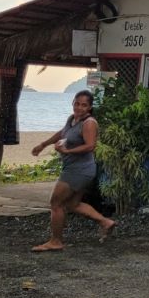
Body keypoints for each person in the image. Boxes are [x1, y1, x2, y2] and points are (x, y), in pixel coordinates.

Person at [30, 90, 115, 252]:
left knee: (56, 203)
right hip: (76, 169)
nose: (79, 108)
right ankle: (105, 222)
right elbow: (62, 133)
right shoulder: (72, 119)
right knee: (72, 204)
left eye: (84, 105)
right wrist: (43, 144)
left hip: (79, 170)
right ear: (73, 103)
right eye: (77, 104)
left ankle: (56, 241)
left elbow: (90, 146)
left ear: (89, 108)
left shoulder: (89, 123)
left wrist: (67, 151)